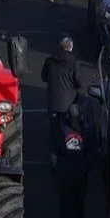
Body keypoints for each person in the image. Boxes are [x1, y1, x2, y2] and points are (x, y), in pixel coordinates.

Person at [54, 98, 98, 218]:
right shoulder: (86, 130)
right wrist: (87, 167)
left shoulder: (61, 127)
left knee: (68, 207)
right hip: (76, 174)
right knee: (77, 207)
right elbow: (93, 152)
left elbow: (53, 151)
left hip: (68, 174)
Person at [41, 36, 84, 166]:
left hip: (54, 102)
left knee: (54, 129)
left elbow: (43, 77)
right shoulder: (74, 62)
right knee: (70, 128)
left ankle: (53, 156)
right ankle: (69, 153)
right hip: (69, 102)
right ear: (70, 48)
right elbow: (79, 83)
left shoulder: (50, 61)